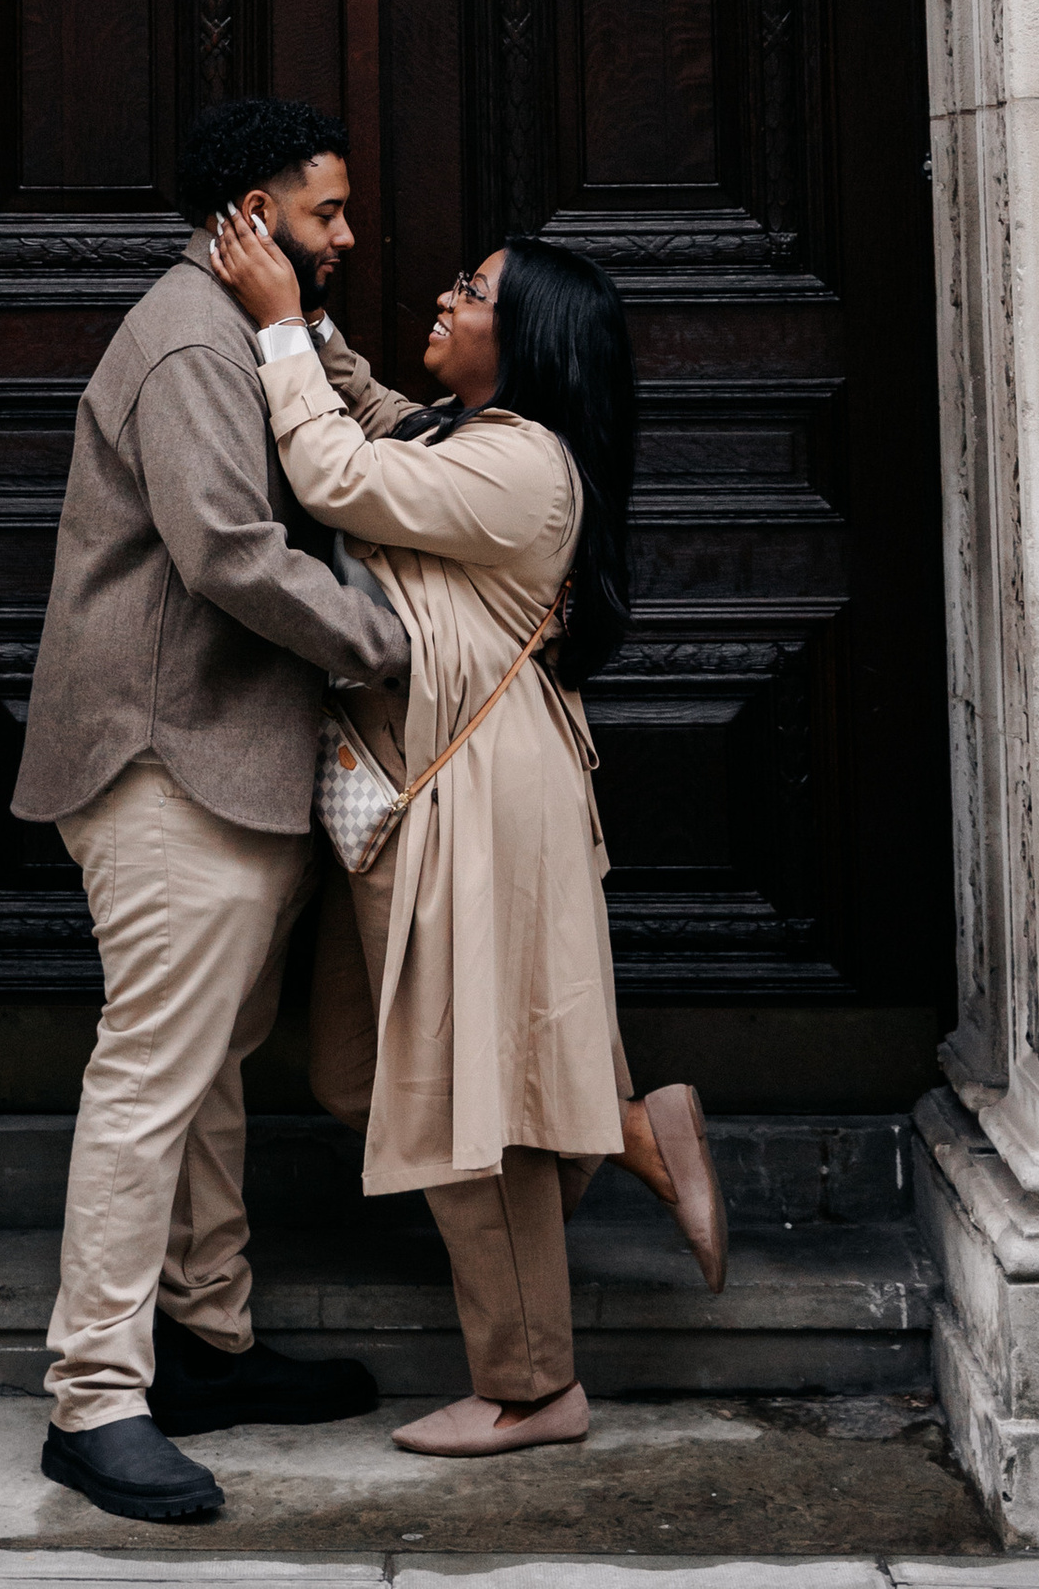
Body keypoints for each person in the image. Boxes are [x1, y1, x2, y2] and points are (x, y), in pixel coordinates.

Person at [207, 213, 728, 1457]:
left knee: (457, 1100)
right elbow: (376, 417)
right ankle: (619, 1124)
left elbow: (337, 473)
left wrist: (276, 322)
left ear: (529, 337)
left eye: (473, 289)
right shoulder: (467, 438)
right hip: (415, 803)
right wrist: (314, 321)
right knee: (355, 1072)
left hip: (469, 804)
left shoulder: (526, 464)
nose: (442, 296)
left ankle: (532, 1384)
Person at [11, 97, 408, 1526]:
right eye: (325, 214)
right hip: (167, 758)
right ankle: (95, 1400)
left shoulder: (254, 320)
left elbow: (369, 419)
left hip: (231, 756)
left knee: (215, 1071)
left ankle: (207, 1344)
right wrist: (387, 641)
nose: (350, 237)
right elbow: (232, 553)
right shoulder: (187, 338)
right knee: (153, 1078)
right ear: (249, 216)